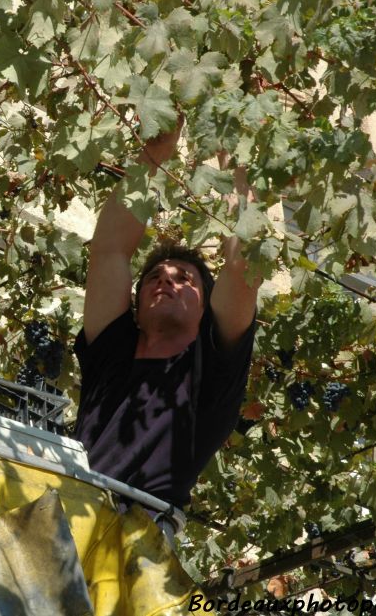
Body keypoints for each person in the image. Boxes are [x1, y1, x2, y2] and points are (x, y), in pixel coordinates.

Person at [74, 124, 261, 540]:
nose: (166, 281)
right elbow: (109, 249)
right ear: (137, 302)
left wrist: (235, 156)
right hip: (72, 515)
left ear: (205, 308)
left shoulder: (210, 371)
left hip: (141, 535)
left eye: (184, 279)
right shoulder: (113, 351)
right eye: (155, 276)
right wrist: (154, 155)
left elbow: (243, 264)